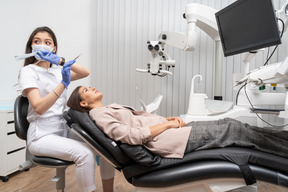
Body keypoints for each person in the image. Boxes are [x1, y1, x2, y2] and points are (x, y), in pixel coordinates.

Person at [67, 86, 288, 159]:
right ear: (84, 103)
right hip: (169, 141)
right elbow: (129, 136)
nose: (92, 87)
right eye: (87, 90)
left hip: (171, 132)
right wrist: (167, 126)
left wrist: (167, 119)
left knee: (230, 121)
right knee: (235, 130)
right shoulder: (99, 115)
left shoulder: (106, 108)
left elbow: (138, 122)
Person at [18, 26, 115, 192]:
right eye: (37, 41)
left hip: (62, 129)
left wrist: (60, 61)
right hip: (41, 135)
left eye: (47, 42)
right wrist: (63, 84)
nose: (42, 45)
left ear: (53, 48)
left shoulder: (57, 71)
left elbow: (85, 72)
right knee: (84, 153)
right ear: (31, 47)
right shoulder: (28, 71)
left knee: (105, 144)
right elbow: (39, 108)